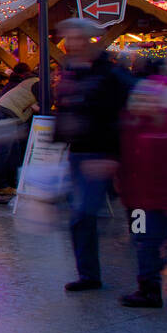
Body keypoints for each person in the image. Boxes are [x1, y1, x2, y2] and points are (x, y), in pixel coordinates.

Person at [52, 18, 135, 292]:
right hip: (78, 152)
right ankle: (89, 273)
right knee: (81, 214)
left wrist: (112, 154)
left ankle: (137, 266)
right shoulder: (73, 71)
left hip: (100, 154)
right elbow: (68, 109)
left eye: (76, 38)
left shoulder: (108, 74)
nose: (71, 43)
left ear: (89, 40)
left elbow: (122, 113)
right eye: (68, 38)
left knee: (82, 213)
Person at [115, 45, 167, 307]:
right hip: (137, 197)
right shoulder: (132, 124)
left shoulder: (165, 127)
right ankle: (151, 281)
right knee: (142, 239)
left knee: (150, 240)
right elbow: (126, 158)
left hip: (159, 197)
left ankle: (150, 287)